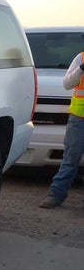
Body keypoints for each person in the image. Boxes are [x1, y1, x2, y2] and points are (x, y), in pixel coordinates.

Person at [39, 51, 84, 208]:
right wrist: (81, 69)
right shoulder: (81, 58)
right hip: (79, 120)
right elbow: (67, 84)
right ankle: (55, 195)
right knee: (70, 159)